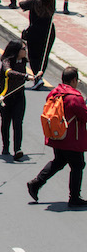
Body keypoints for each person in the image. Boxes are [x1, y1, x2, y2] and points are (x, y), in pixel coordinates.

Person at [27, 66, 87, 207]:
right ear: (73, 80)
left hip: (57, 135)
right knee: (78, 165)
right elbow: (84, 116)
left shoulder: (55, 93)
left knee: (59, 161)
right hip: (71, 139)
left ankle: (36, 183)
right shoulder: (74, 97)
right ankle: (74, 197)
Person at [0, 39, 33, 160]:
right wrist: (26, 76)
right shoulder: (6, 62)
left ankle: (18, 148)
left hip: (19, 96)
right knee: (6, 121)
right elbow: (9, 72)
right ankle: (5, 146)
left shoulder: (23, 61)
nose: (25, 51)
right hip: (5, 97)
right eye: (23, 49)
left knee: (18, 122)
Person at [19, 0, 55, 90]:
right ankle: (40, 76)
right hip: (49, 32)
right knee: (44, 56)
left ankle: (37, 77)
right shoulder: (52, 0)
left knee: (34, 56)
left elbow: (21, 4)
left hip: (35, 32)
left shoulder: (34, 2)